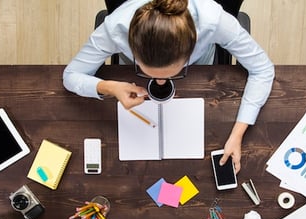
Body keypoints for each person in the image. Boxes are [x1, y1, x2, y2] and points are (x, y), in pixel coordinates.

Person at [63, 0, 274, 173]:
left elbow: (263, 69)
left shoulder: (214, 21)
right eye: (148, 72)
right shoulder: (115, 28)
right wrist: (110, 87)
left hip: (201, 70)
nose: (161, 83)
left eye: (172, 73)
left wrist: (237, 134)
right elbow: (71, 76)